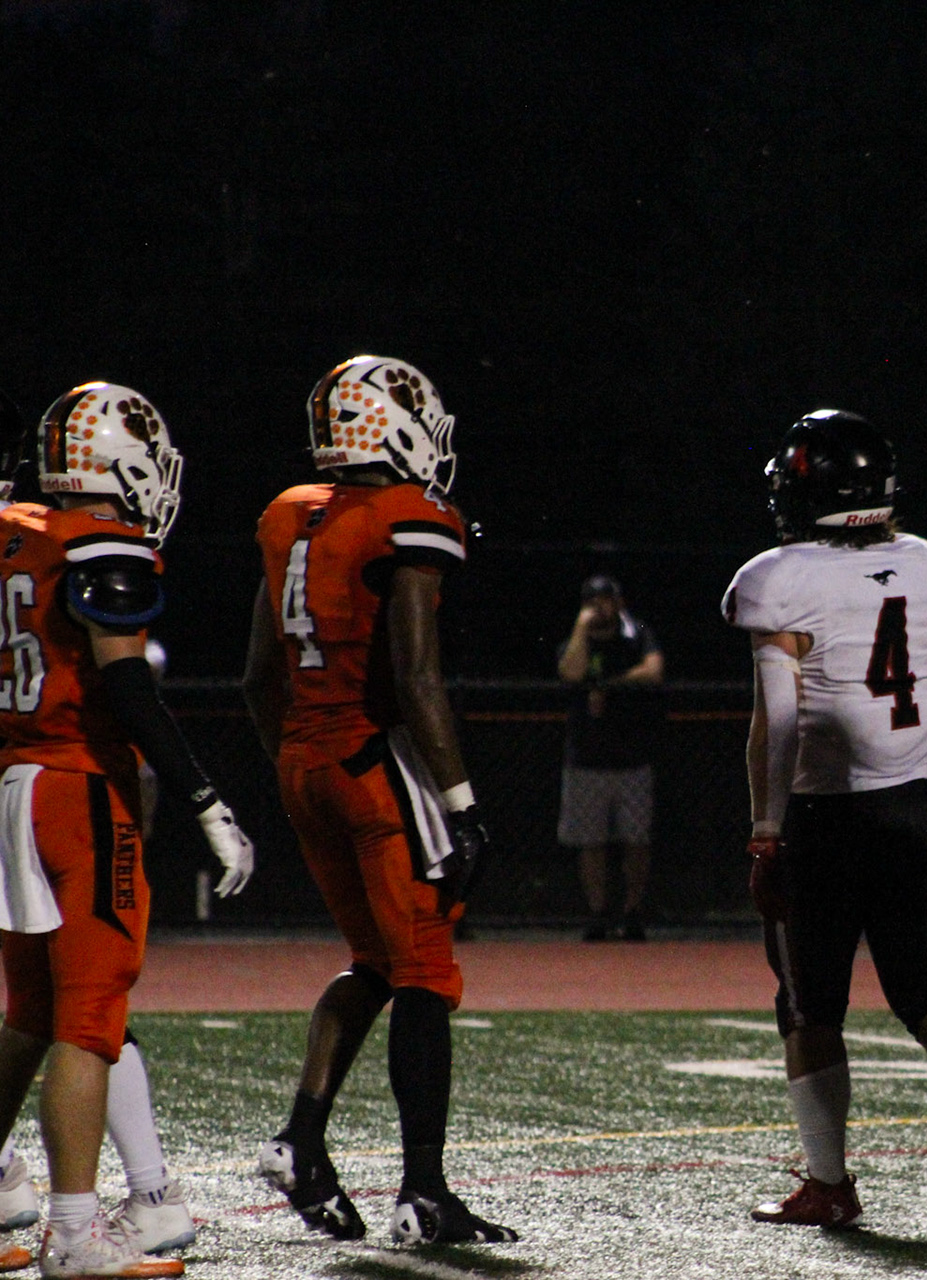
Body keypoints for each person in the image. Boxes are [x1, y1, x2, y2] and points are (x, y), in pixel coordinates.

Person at [723, 409, 927, 1231]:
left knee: (809, 1008)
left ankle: (828, 1183)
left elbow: (779, 719)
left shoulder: (777, 577)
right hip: (917, 809)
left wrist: (766, 831)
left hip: (824, 821)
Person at [242, 356, 514, 1246]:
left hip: (302, 757)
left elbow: (257, 677)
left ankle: (301, 1140)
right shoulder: (409, 515)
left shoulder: (291, 514)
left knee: (374, 962)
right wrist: (461, 801)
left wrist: (299, 762)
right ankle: (424, 1191)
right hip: (371, 763)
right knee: (425, 970)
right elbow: (418, 675)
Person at [0, 383, 255, 1278]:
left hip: (13, 782)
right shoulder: (101, 543)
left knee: (30, 1016)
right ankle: (74, 1235)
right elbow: (128, 685)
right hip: (78, 788)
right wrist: (204, 798)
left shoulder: (15, 534)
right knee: (90, 1020)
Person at [556, 574, 664, 941]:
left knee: (637, 841)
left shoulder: (637, 634)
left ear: (619, 603)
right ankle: (597, 914)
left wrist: (610, 685)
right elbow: (571, 672)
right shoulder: (576, 640)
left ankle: (633, 913)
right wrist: (580, 628)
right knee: (591, 842)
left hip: (633, 758)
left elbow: (653, 671)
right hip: (586, 760)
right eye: (592, 601)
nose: (600, 607)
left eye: (606, 600)